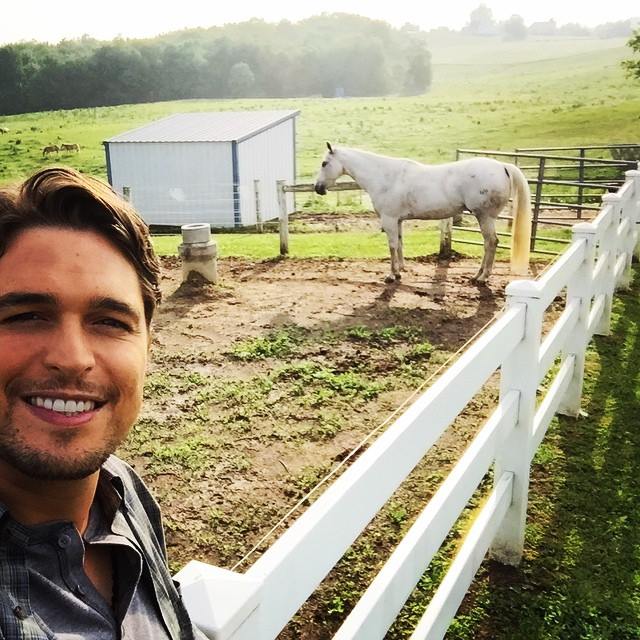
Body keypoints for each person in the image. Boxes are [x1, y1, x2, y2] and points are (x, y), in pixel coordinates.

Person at [0, 167, 206, 639]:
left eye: (110, 321)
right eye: (26, 315)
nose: (72, 359)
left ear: (148, 347)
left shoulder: (121, 491)